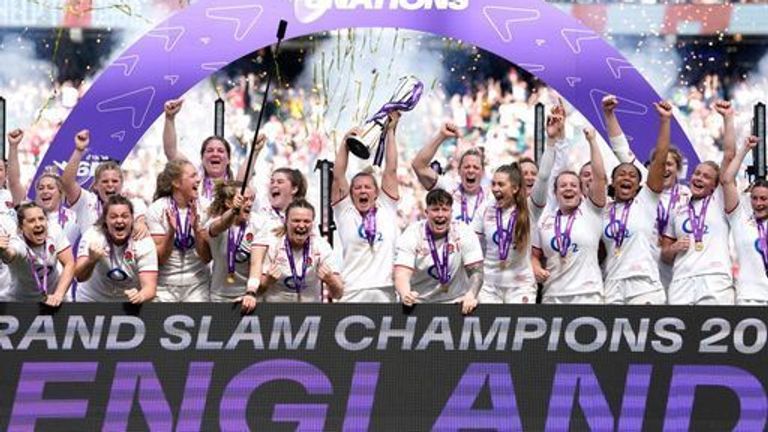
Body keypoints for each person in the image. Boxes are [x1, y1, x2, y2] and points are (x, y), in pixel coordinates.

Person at [600, 101, 673, 304]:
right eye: (621, 174)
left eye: (632, 175)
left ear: (639, 183)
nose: (626, 177)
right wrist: (608, 114)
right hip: (612, 286)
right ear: (612, 182)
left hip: (644, 285)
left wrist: (665, 121)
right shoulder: (603, 209)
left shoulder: (646, 201)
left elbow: (659, 159)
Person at [531, 127, 607, 304]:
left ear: (581, 191)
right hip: (553, 295)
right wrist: (536, 268)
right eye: (563, 185)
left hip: (588, 294)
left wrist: (592, 142)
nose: (568, 188)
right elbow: (534, 255)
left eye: (573, 185)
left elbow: (600, 178)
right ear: (555, 193)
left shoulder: (591, 212)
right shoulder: (544, 220)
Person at [331, 112, 401, 302]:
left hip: (384, 290)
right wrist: (346, 142)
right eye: (358, 187)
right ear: (351, 193)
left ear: (376, 192)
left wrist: (391, 132)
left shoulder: (386, 207)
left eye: (368, 187)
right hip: (352, 291)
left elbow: (391, 169)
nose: (363, 191)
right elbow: (338, 175)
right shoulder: (345, 212)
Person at [162, 99, 266, 211]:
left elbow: (242, 181)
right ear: (202, 158)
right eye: (210, 150)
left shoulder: (235, 177)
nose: (215, 153)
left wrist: (254, 152)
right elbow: (171, 152)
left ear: (228, 159)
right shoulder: (194, 175)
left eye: (220, 151)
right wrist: (169, 118)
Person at [393, 189, 484, 314]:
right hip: (419, 303)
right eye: (435, 209)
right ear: (426, 212)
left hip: (455, 302)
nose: (440, 215)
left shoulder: (463, 231)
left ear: (451, 212)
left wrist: (471, 294)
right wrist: (405, 293)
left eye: (445, 210)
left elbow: (476, 271)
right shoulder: (413, 233)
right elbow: (401, 273)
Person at [242, 199, 342, 309]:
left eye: (307, 221)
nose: (302, 225)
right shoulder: (272, 243)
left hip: (310, 314)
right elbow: (257, 291)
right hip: (273, 313)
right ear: (286, 222)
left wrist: (331, 280)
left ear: (312, 223)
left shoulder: (321, 246)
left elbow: (338, 294)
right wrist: (267, 282)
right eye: (296, 221)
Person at [62, 130, 149, 238]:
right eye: (105, 181)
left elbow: (141, 217)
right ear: (95, 185)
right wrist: (79, 150)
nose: (110, 185)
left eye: (115, 181)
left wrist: (141, 223)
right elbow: (67, 183)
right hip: (91, 254)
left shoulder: (135, 203)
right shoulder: (86, 201)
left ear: (122, 183)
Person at [147, 159, 211, 302]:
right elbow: (160, 259)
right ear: (176, 183)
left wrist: (197, 228)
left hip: (198, 285)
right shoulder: (157, 209)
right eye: (193, 176)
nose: (199, 179)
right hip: (165, 286)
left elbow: (207, 258)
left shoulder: (206, 207)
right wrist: (171, 232)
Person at [471, 164, 536, 303]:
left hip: (520, 286)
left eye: (501, 184)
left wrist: (551, 146)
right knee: (490, 324)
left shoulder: (529, 208)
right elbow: (471, 244)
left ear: (515, 188)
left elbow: (543, 179)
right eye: (493, 184)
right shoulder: (486, 208)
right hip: (489, 287)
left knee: (519, 325)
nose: (495, 189)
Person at [74, 195, 157, 303]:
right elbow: (79, 277)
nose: (119, 220)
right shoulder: (93, 235)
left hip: (128, 302)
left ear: (132, 219)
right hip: (92, 299)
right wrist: (91, 260)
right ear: (105, 220)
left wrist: (140, 296)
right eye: (113, 217)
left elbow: (149, 287)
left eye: (124, 216)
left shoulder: (143, 241)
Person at [722, 136, 768, 305]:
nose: (758, 203)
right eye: (754, 198)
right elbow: (727, 181)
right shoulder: (740, 219)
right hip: (748, 297)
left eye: (764, 199)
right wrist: (744, 149)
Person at [0, 202, 74, 305]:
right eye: (31, 221)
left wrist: (58, 295)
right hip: (21, 304)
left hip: (53, 300)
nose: (38, 224)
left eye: (41, 219)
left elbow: (69, 264)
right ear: (21, 228)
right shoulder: (17, 242)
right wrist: (3, 250)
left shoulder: (54, 231)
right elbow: (10, 254)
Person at [412, 122, 486, 224]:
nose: (471, 170)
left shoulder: (491, 198)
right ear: (459, 171)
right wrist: (441, 136)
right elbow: (419, 166)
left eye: (476, 167)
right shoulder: (448, 187)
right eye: (466, 167)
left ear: (483, 172)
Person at [206, 180, 255, 302]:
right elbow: (222, 224)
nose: (249, 204)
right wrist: (233, 211)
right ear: (228, 202)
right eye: (245, 199)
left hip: (247, 296)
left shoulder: (257, 224)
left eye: (251, 199)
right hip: (219, 296)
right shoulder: (214, 223)